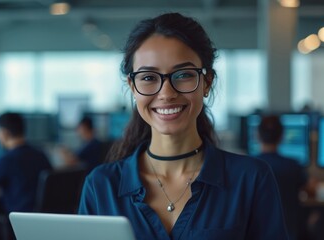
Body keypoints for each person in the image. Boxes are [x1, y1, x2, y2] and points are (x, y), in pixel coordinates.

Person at [78, 13, 288, 239]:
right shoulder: (101, 186)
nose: (167, 93)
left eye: (184, 74)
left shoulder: (251, 179)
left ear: (207, 82)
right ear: (132, 86)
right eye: (148, 77)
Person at [255, 115, 314, 240]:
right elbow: (310, 191)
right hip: (289, 233)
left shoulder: (249, 166)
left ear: (257, 136)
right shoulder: (292, 165)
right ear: (282, 137)